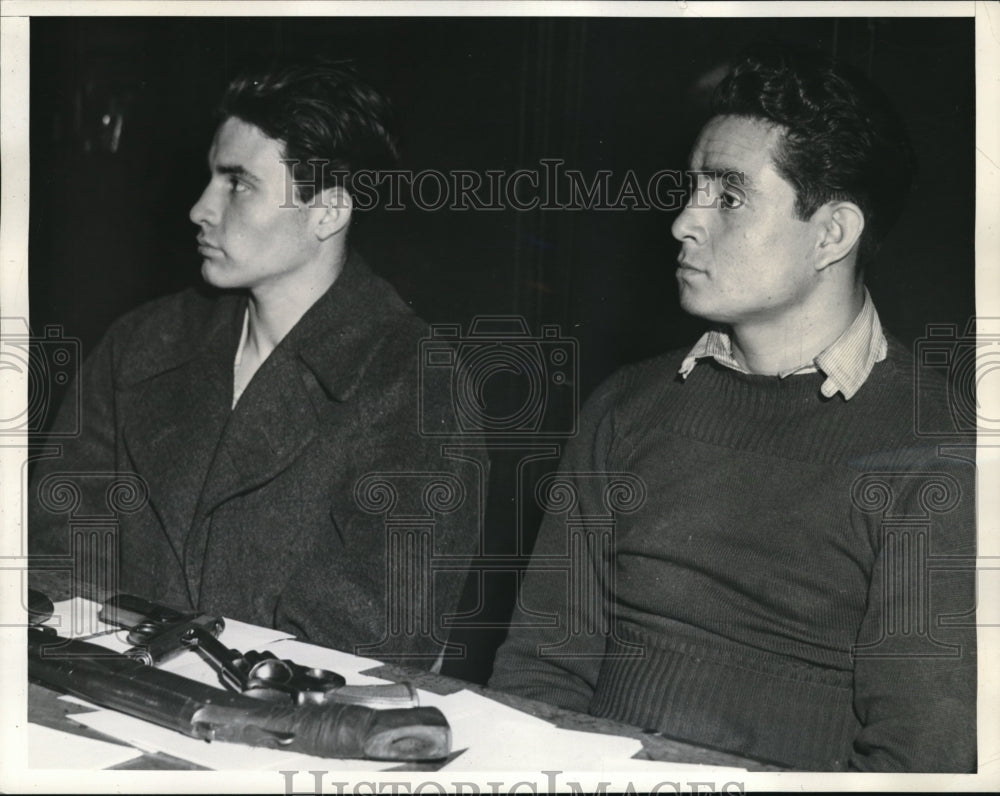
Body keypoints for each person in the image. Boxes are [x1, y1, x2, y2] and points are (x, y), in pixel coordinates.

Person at [489, 46, 976, 771]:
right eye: (691, 189)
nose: (684, 221)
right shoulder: (626, 407)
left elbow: (920, 763)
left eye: (729, 196)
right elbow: (537, 674)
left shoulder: (936, 449)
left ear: (832, 234)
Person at [29, 58, 482, 667]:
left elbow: (367, 640)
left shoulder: (417, 383)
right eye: (211, 178)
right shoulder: (142, 342)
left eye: (238, 183)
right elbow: (54, 553)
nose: (200, 208)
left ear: (327, 212)